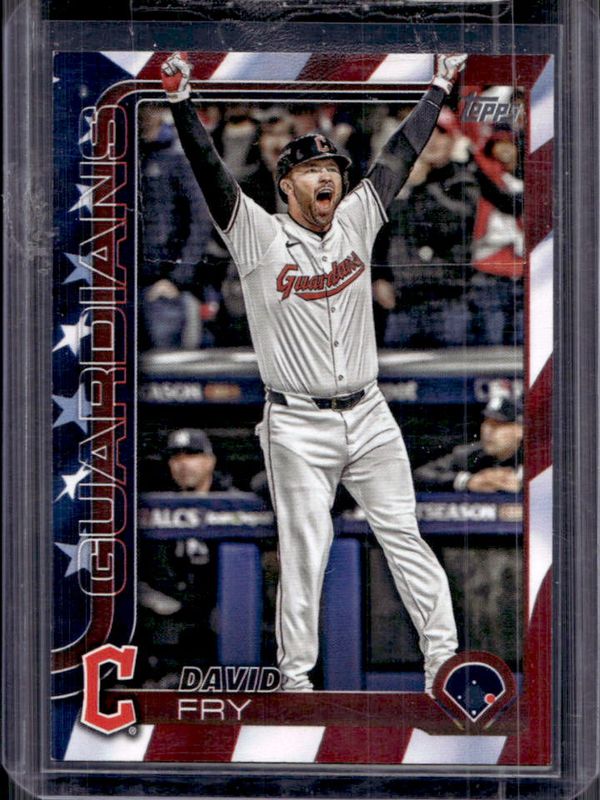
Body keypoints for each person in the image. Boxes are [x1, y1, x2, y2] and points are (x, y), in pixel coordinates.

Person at [160, 52, 468, 693]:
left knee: (405, 536)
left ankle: (443, 663)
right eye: (313, 170)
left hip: (370, 411)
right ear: (287, 184)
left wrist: (439, 87)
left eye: (333, 169)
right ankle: (296, 680)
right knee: (306, 549)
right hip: (297, 422)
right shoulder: (259, 236)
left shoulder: (355, 218)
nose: (328, 176)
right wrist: (184, 104)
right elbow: (212, 174)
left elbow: (397, 157)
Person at [138, 428, 235, 686]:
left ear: (210, 461)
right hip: (172, 624)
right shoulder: (153, 505)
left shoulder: (234, 502)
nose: (183, 464)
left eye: (192, 455)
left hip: (221, 621)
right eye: (176, 457)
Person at [413, 397, 523, 493]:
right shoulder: (469, 454)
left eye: (497, 425)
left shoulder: (532, 458)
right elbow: (420, 475)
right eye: (486, 423)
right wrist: (467, 481)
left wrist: (523, 485)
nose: (487, 430)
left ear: (519, 430)